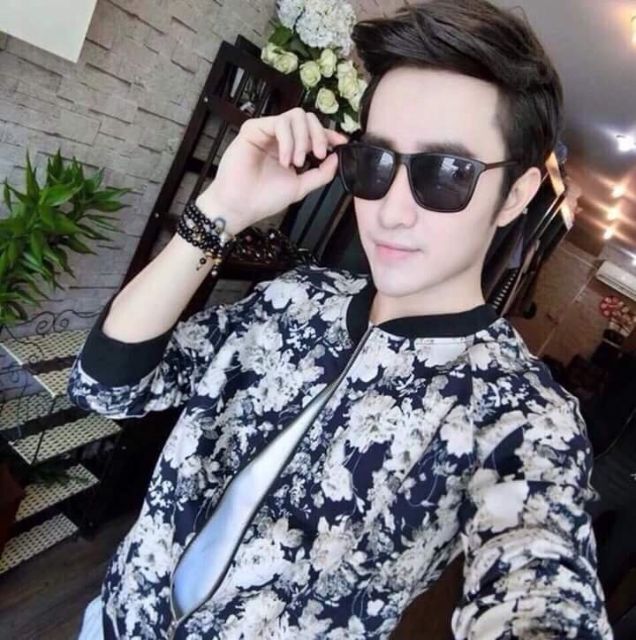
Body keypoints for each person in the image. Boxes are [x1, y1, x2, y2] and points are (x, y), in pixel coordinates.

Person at [70, 0, 613, 638]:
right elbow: (107, 385)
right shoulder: (295, 298)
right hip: (112, 618)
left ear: (514, 195)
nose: (392, 211)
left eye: (446, 173)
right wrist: (221, 209)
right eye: (376, 162)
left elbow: (538, 585)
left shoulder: (520, 415)